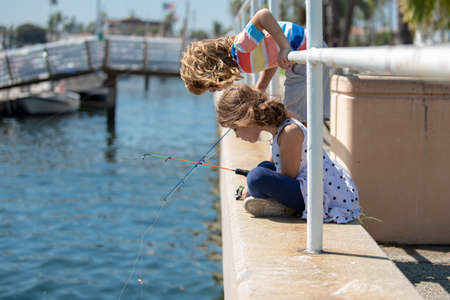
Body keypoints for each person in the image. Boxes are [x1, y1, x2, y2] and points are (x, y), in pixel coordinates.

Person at [216, 84, 360, 223]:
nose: (237, 136)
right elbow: (274, 168)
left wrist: (255, 184)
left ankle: (283, 208)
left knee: (256, 177)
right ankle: (270, 200)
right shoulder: (278, 131)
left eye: (235, 129)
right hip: (304, 186)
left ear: (246, 119)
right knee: (264, 166)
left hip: (319, 194)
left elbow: (288, 177)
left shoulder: (290, 132)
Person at [180, 8, 330, 123]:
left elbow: (263, 15)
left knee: (294, 115)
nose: (214, 92)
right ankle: (296, 153)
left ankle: (296, 156)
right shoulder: (243, 59)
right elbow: (272, 58)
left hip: (303, 50)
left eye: (211, 87)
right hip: (302, 52)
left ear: (214, 71)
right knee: (303, 113)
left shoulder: (241, 47)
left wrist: (285, 47)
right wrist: (261, 87)